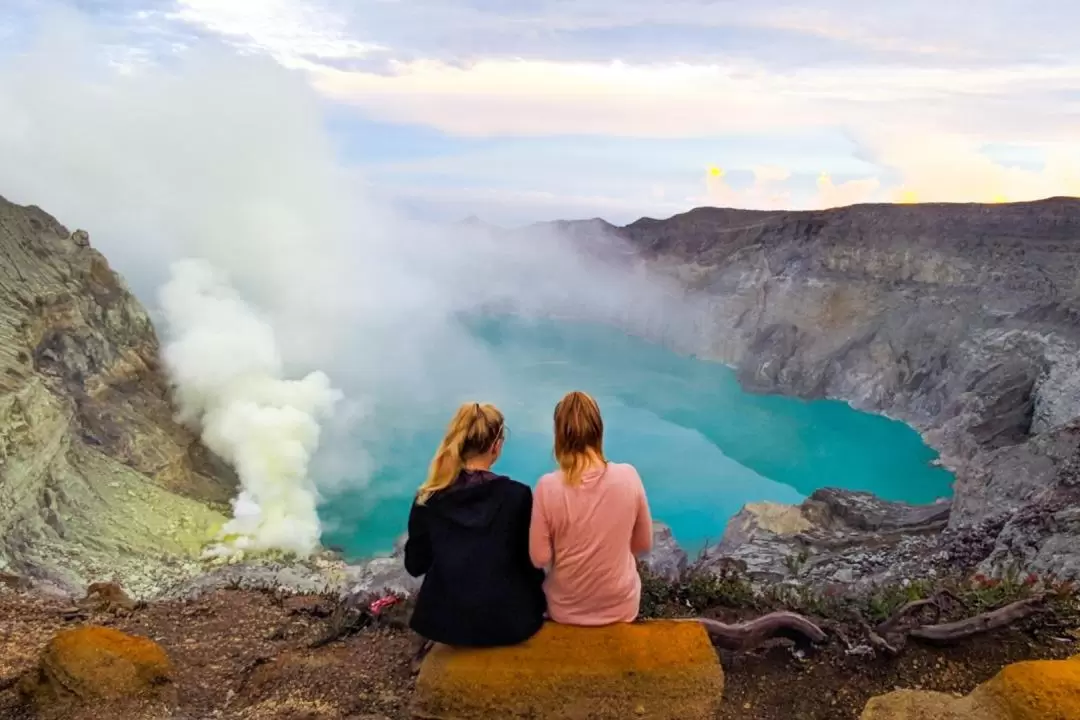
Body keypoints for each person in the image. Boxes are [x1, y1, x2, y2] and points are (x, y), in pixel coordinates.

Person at [404, 402, 546, 648]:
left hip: (446, 624)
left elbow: (415, 565)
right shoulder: (518, 495)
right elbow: (530, 565)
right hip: (511, 623)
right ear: (496, 446)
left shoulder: (427, 499)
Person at [529, 390, 654, 626]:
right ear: (598, 430)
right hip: (622, 607)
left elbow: (539, 558)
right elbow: (643, 545)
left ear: (560, 435)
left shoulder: (547, 486)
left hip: (564, 609)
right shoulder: (629, 476)